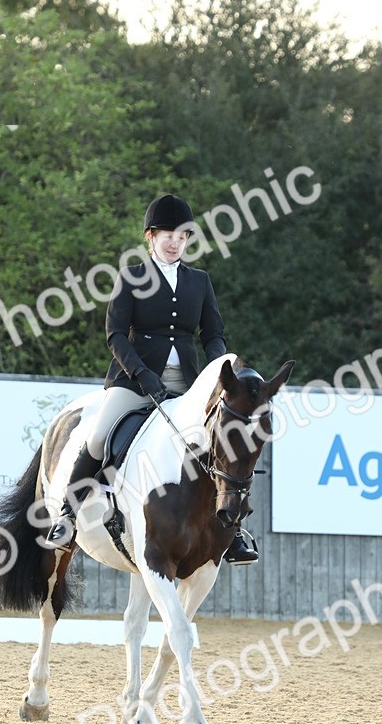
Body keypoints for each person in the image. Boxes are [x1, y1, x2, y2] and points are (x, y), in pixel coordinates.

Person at [43, 193, 258, 564]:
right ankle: (68, 514)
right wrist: (141, 374)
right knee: (99, 437)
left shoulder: (200, 281)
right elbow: (114, 333)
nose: (174, 242)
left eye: (181, 236)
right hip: (134, 380)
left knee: (223, 444)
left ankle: (233, 531)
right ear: (151, 237)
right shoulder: (132, 276)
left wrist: (221, 373)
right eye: (167, 235)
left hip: (188, 384)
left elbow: (212, 334)